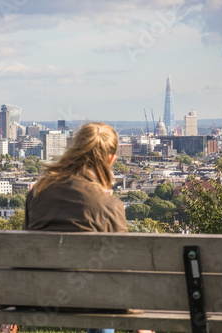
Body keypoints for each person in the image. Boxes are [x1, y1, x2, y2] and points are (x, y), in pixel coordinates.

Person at [24, 122, 154, 333]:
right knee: (102, 290)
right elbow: (122, 266)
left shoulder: (38, 191)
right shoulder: (109, 205)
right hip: (93, 299)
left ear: (73, 150)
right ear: (111, 159)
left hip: (39, 296)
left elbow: (26, 246)